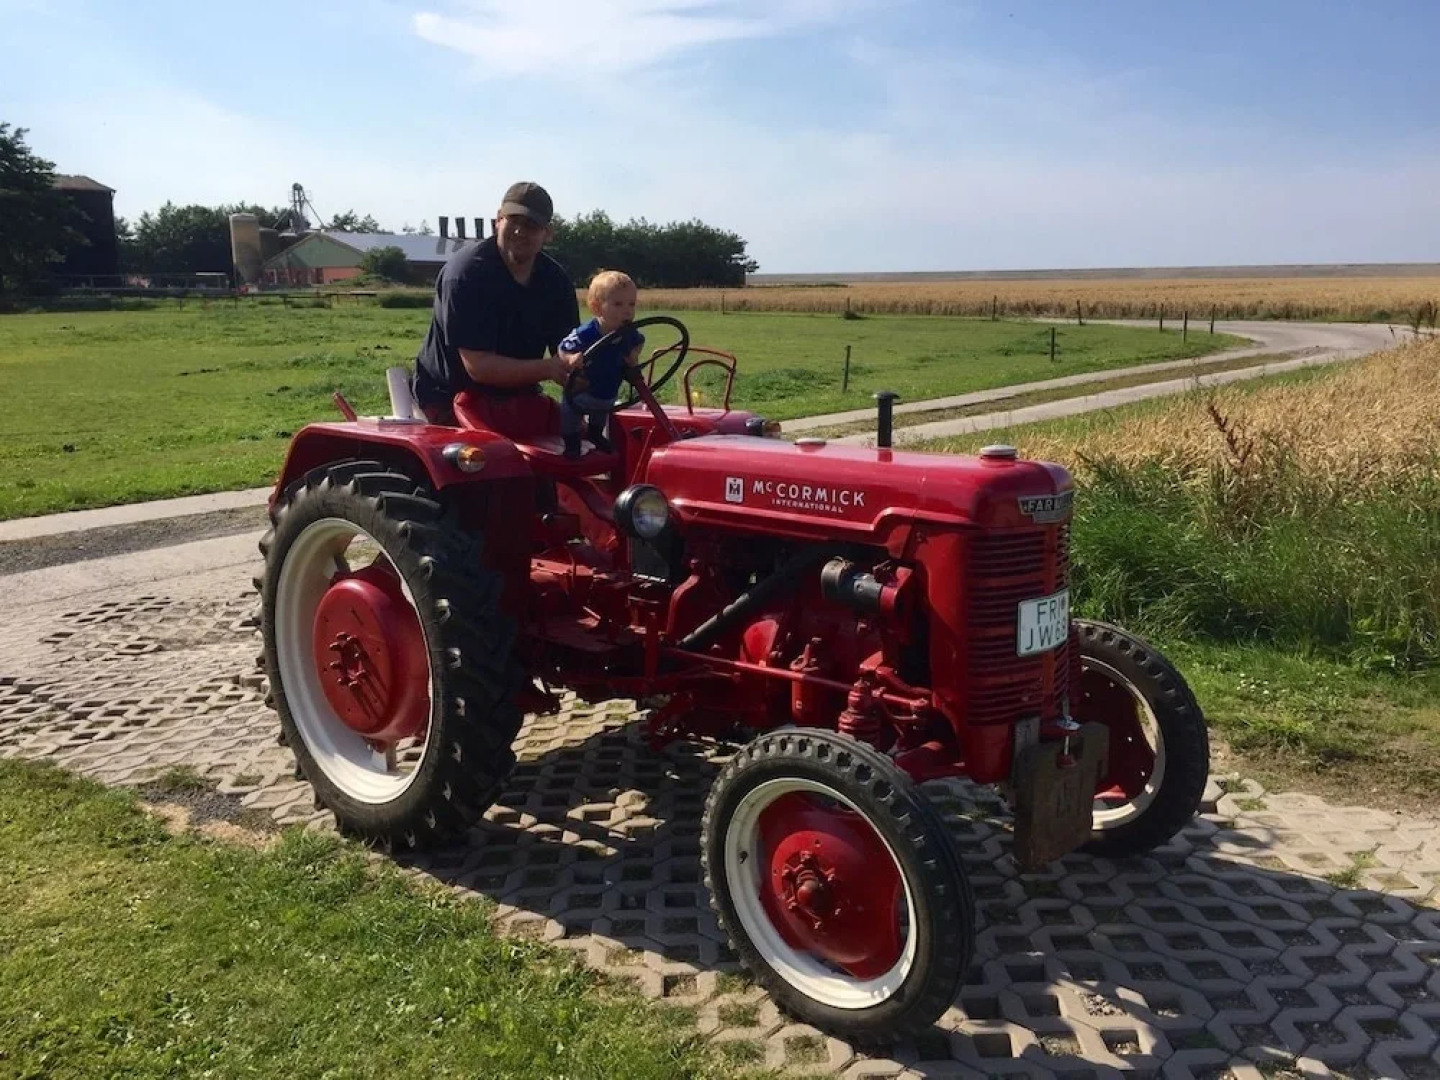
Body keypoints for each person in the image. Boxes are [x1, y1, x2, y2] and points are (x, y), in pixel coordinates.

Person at [411, 181, 581, 423]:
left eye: (531, 225)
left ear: (547, 233)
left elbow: (570, 349)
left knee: (588, 447)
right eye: (514, 221)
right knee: (498, 459)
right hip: (451, 401)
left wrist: (603, 361)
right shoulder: (467, 274)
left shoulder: (555, 281)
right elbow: (479, 367)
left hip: (519, 398)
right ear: (498, 220)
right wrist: (549, 368)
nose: (520, 232)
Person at [557, 270, 645, 457]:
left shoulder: (629, 333)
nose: (627, 310)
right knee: (571, 418)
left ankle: (595, 435)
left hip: (608, 391)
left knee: (600, 416)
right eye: (618, 304)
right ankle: (571, 444)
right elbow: (563, 347)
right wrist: (571, 359)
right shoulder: (587, 332)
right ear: (597, 308)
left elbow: (640, 341)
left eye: (632, 304)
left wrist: (633, 355)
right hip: (582, 391)